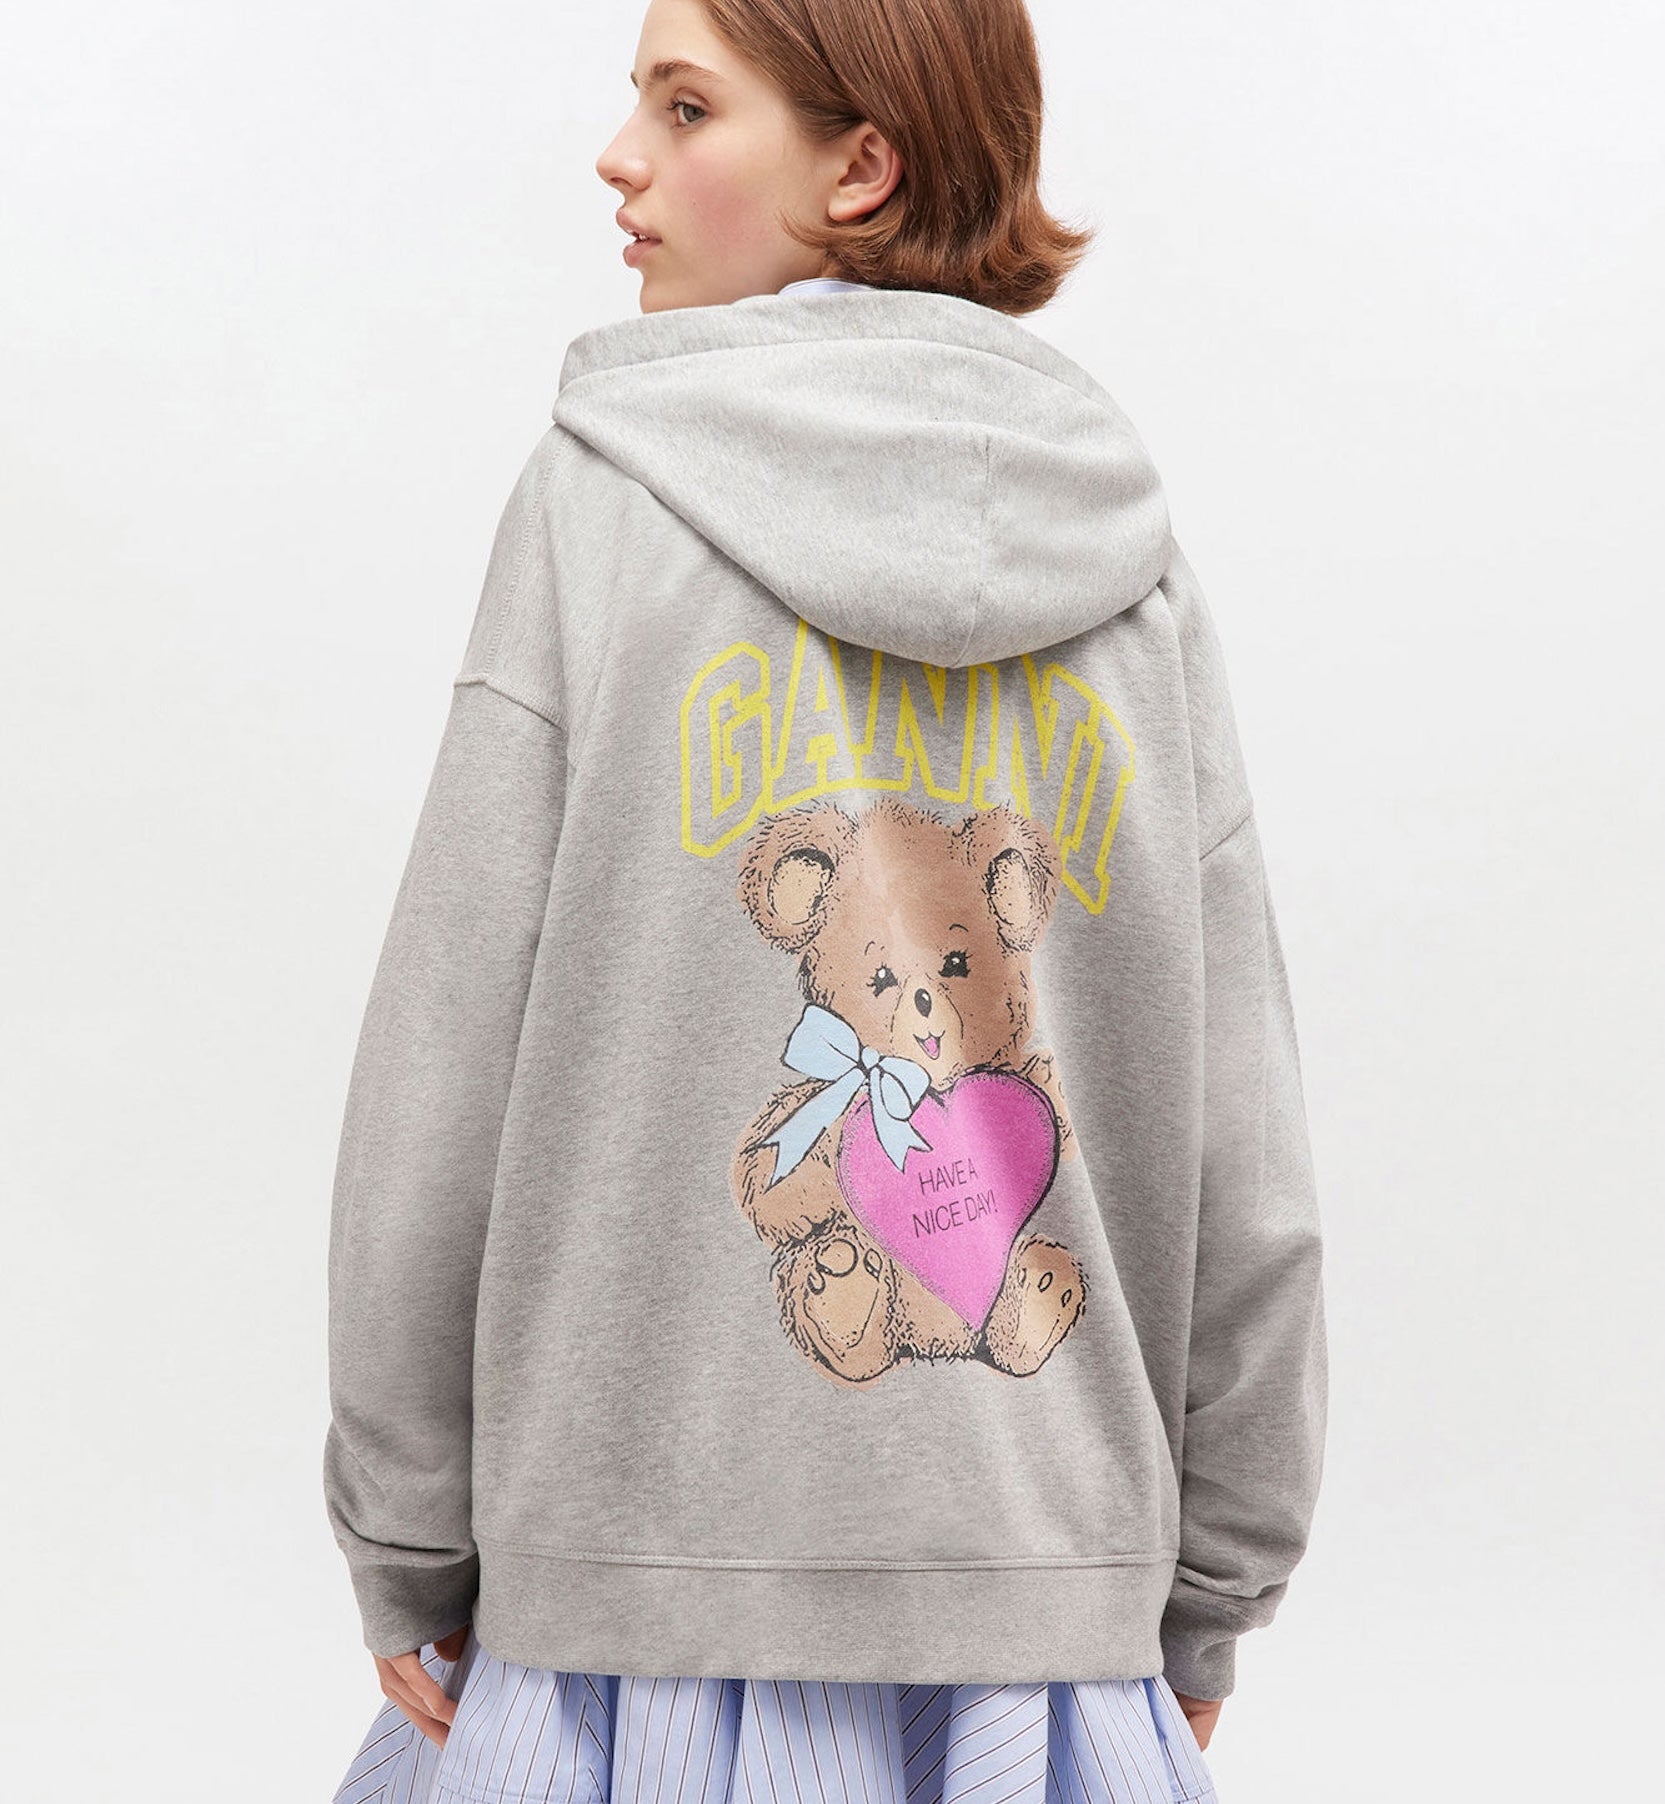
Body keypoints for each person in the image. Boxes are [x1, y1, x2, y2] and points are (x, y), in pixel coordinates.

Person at [322, 0, 1329, 1798]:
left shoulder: (595, 515)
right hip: (1038, 1633)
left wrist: (405, 1526)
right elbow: (1241, 1153)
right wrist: (1216, 1583)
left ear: (858, 166)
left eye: (684, 107)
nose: (618, 157)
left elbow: (442, 1062)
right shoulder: (1137, 572)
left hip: (625, 1619)